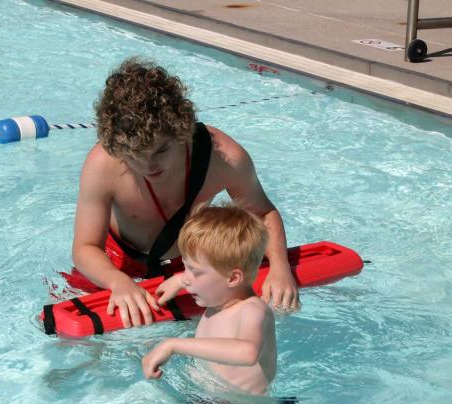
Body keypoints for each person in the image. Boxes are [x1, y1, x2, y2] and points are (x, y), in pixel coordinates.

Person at [69, 57, 299, 329]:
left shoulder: (223, 157)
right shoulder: (103, 164)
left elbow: (262, 213)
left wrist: (280, 269)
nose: (148, 165)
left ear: (182, 130)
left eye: (161, 150)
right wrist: (118, 282)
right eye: (133, 155)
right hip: (117, 263)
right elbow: (85, 248)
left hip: (192, 263)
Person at [141, 204, 274, 395]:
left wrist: (172, 345)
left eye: (194, 271)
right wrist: (179, 281)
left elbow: (248, 353)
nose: (186, 277)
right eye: (185, 267)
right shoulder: (219, 299)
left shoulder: (252, 310)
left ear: (232, 278)